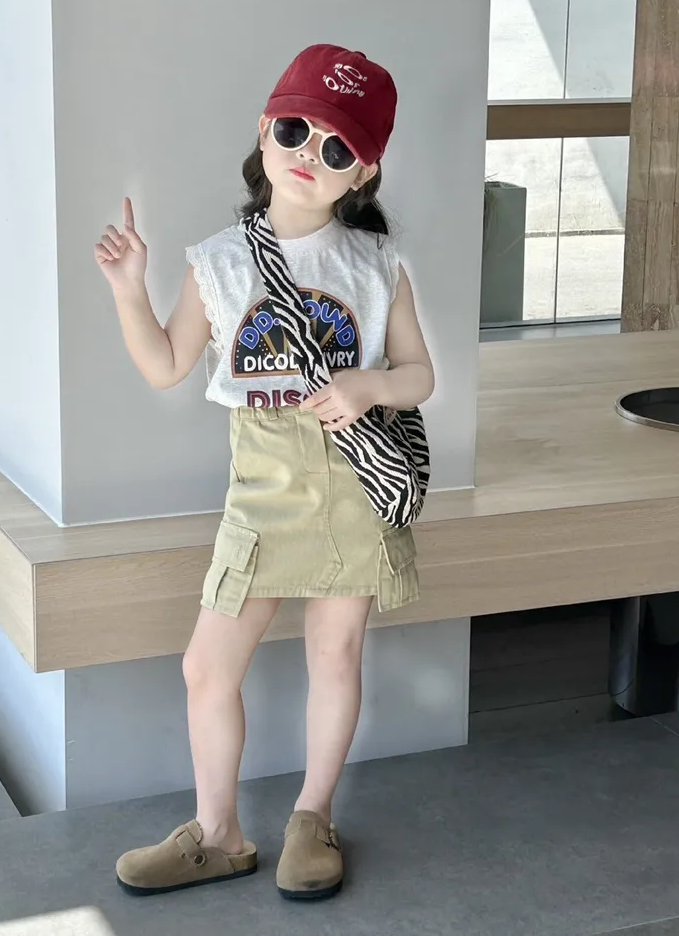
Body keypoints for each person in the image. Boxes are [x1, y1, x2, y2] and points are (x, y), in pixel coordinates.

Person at [94, 44, 435, 901]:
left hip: (350, 480)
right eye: (295, 130)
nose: (308, 154)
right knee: (207, 666)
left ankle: (313, 817)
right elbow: (167, 365)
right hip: (260, 485)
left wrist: (368, 385)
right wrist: (129, 288)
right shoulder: (217, 260)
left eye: (336, 147)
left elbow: (419, 375)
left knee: (336, 655)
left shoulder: (376, 263)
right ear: (263, 129)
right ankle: (219, 833)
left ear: (364, 171)